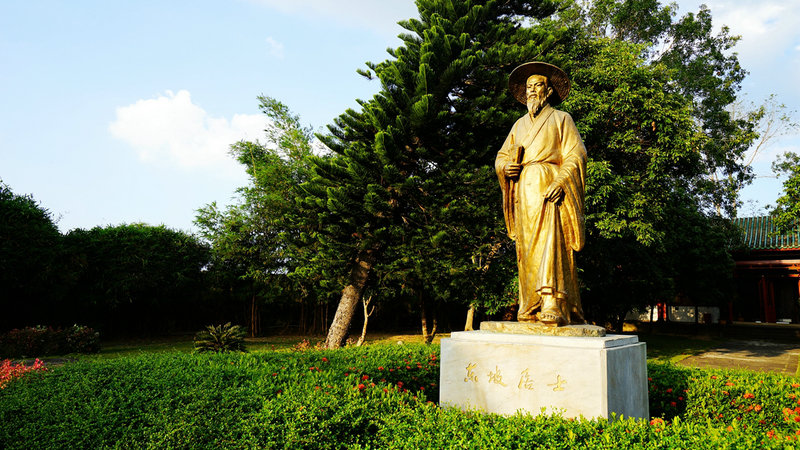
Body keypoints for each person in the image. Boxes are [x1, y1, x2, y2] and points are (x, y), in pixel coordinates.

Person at [495, 62, 587, 326]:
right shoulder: (518, 125)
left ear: (548, 91)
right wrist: (505, 167)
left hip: (549, 186)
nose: (533, 91)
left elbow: (576, 154)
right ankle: (530, 303)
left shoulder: (561, 119)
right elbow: (501, 156)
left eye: (538, 85)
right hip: (523, 192)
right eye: (529, 87)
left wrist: (561, 180)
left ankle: (551, 301)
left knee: (552, 240)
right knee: (527, 247)